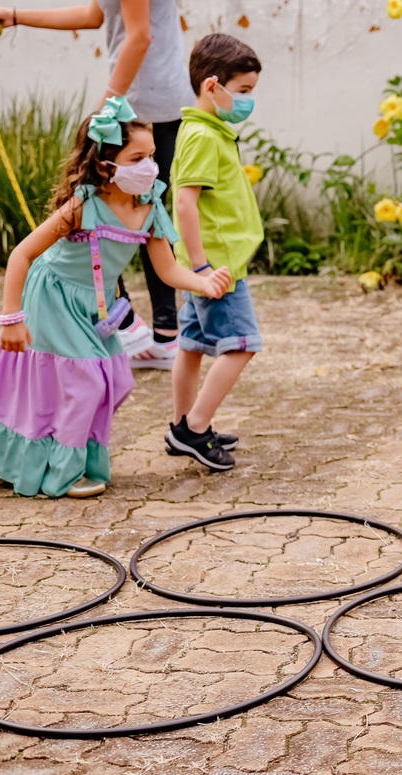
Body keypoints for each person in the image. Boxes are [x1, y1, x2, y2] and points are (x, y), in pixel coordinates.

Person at [0, 97, 231, 498]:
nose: (150, 166)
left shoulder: (149, 207)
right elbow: (22, 254)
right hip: (53, 296)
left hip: (94, 308)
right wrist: (12, 317)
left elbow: (167, 270)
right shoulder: (84, 205)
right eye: (137, 158)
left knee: (114, 377)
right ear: (105, 166)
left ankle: (60, 459)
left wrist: (203, 283)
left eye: (151, 156)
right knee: (84, 384)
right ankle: (61, 472)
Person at [0, 0, 195, 369]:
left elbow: (140, 36)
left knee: (136, 212)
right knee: (126, 212)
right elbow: (97, 14)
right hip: (146, 102)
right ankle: (144, 330)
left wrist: (106, 108)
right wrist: (15, 16)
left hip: (139, 108)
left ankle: (143, 329)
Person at [164, 33, 263, 472]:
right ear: (212, 86)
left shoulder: (206, 130)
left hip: (211, 263)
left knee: (191, 344)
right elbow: (185, 202)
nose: (247, 101)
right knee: (242, 345)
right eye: (242, 91)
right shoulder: (203, 135)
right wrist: (203, 267)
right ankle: (195, 431)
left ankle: (181, 424)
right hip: (217, 267)